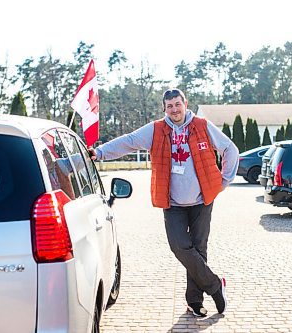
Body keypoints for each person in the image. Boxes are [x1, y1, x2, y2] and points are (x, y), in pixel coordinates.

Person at [89, 88, 239, 317]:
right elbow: (128, 142)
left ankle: (194, 301)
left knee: (199, 249)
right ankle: (215, 286)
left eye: (178, 104)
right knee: (179, 246)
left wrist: (224, 181)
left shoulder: (202, 125)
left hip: (202, 200)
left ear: (185, 103)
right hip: (173, 203)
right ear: (164, 108)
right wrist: (99, 153)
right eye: (169, 106)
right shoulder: (156, 129)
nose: (174, 109)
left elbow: (230, 149)